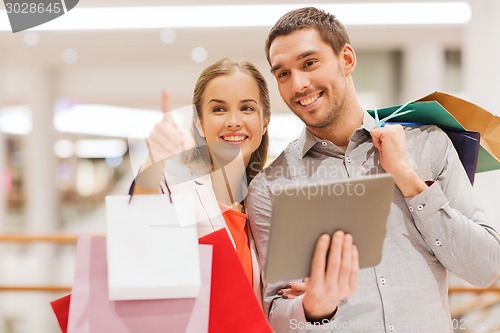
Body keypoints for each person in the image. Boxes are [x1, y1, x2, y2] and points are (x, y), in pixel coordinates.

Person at [246, 7, 500, 333]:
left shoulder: (427, 145)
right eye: (282, 74)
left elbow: (487, 267)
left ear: (347, 59)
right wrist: (313, 307)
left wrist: (409, 180)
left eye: (309, 63)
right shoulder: (270, 187)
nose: (298, 84)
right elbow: (277, 315)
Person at [134, 57, 271, 296]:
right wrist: (153, 162)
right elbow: (139, 225)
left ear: (265, 121)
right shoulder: (177, 187)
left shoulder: (268, 198)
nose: (234, 122)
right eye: (219, 109)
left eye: (247, 108)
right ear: (199, 123)